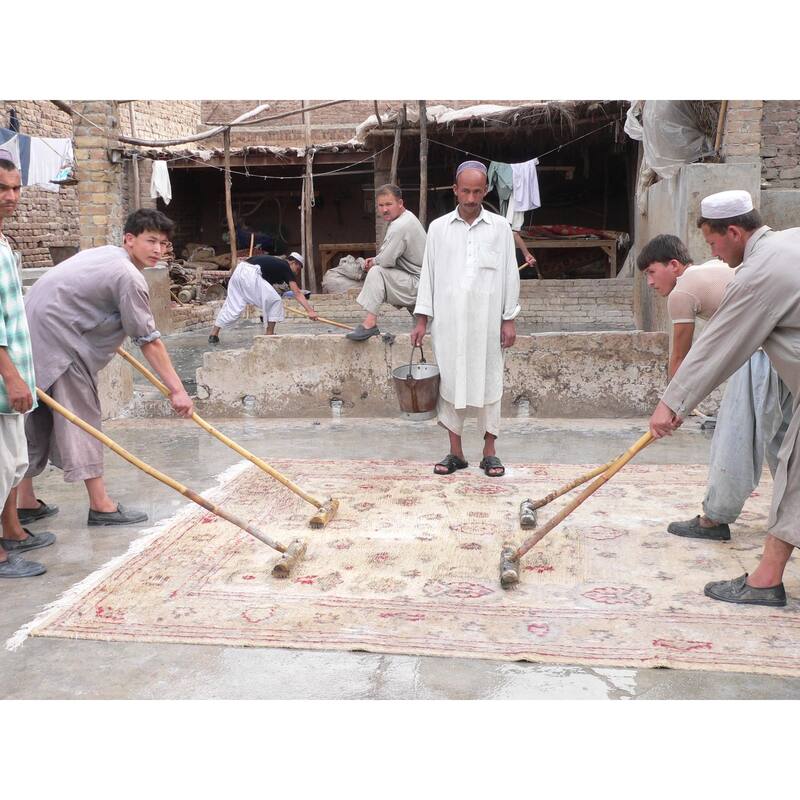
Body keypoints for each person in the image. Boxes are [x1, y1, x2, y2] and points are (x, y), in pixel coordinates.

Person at [649, 189, 800, 607]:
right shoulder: (789, 241)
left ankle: (764, 581)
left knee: (793, 474)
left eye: (713, 242)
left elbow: (716, 345)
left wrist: (670, 405)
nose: (712, 253)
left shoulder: (758, 274)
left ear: (734, 232)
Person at [16, 208, 194, 528]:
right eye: (150, 241)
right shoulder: (128, 276)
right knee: (82, 418)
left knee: (37, 417)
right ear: (129, 239)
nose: (157, 249)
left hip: (33, 334)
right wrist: (177, 390)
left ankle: (25, 501)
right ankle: (101, 505)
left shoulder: (106, 255)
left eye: (163, 243)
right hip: (59, 341)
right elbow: (148, 339)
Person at [637, 233, 792, 541]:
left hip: (760, 352)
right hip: (784, 352)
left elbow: (681, 357)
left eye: (652, 272)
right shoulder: (710, 270)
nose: (650, 283)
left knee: (736, 436)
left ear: (674, 265)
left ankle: (715, 518)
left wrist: (674, 406)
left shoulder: (682, 291)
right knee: (783, 438)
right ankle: (792, 517)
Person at [412, 160, 520, 477]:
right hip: (448, 321)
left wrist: (509, 318)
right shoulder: (438, 228)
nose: (471, 199)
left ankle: (490, 452)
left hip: (488, 322)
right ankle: (455, 452)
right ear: (455, 190)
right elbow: (428, 276)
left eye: (477, 192)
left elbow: (510, 275)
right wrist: (421, 320)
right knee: (450, 382)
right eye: (465, 191)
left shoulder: (500, 228)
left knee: (491, 381)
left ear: (485, 191)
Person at [0, 150, 51, 577]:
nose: (11, 196)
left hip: (12, 378)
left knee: (13, 464)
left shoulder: (3, 242)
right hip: (4, 378)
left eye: (16, 188)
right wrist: (12, 376)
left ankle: (12, 532)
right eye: (2, 189)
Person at [345, 184, 427, 341]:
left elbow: (387, 260)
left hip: (418, 284)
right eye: (381, 205)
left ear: (400, 203)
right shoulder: (406, 218)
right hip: (419, 284)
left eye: (389, 204)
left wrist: (373, 262)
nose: (384, 209)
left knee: (377, 272)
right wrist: (376, 260)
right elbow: (389, 255)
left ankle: (370, 323)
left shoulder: (400, 225)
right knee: (425, 335)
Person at [208, 252, 317, 343]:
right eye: (298, 269)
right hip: (250, 273)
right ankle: (269, 334)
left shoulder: (275, 265)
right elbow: (297, 293)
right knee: (275, 301)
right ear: (293, 263)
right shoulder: (285, 266)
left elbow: (266, 290)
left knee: (232, 305)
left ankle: (214, 334)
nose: (297, 272)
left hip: (239, 271)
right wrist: (310, 311)